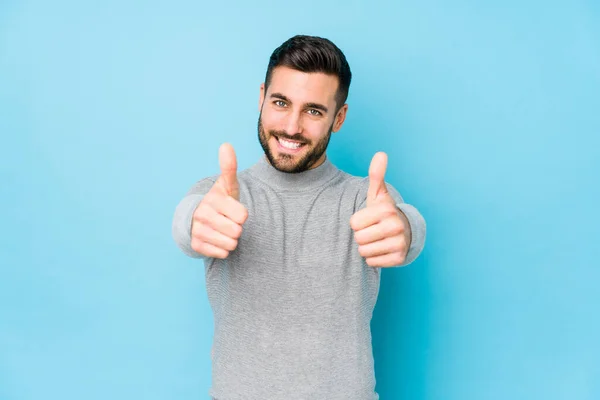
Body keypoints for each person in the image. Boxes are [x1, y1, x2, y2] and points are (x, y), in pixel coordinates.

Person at [172, 35, 426, 400]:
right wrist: (194, 221)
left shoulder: (367, 199)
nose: (292, 126)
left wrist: (407, 228)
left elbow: (405, 228)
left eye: (314, 110)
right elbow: (187, 221)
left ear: (338, 118)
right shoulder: (220, 193)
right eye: (280, 102)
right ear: (261, 97)